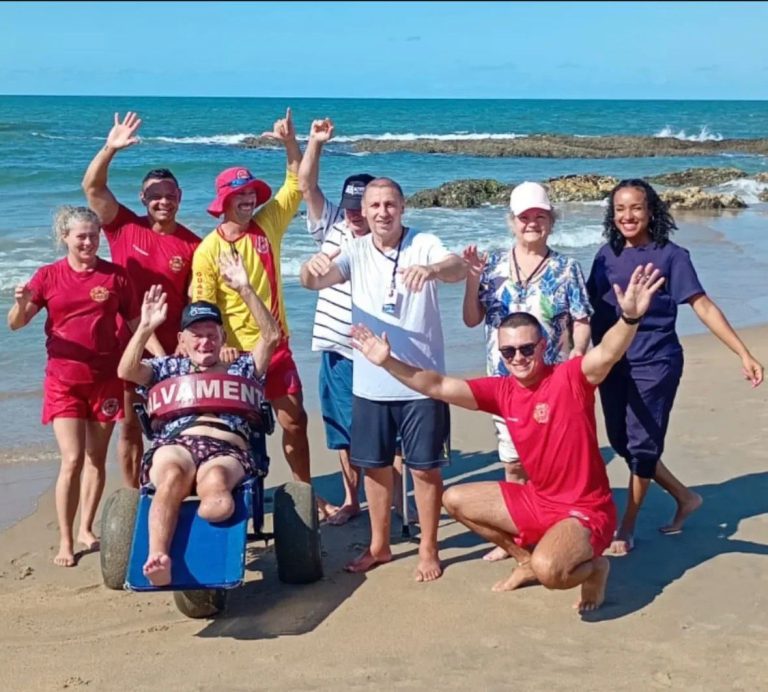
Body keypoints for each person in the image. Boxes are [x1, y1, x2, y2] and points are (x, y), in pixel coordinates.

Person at [351, 262, 667, 611]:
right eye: (508, 352)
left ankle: (595, 569)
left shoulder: (570, 378)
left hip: (585, 511)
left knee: (553, 573)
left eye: (526, 349)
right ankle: (524, 559)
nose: (518, 358)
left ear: (543, 345)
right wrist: (387, 362)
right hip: (538, 500)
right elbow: (438, 385)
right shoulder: (502, 391)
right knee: (454, 499)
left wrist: (630, 319)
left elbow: (608, 352)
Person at [300, 177, 467, 581]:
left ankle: (429, 547)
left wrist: (430, 269)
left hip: (421, 382)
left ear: (402, 206)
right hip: (370, 383)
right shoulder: (354, 250)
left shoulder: (422, 242)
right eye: (374, 206)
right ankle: (379, 546)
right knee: (374, 468)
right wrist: (309, 269)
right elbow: (315, 281)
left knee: (425, 469)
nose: (381, 212)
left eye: (389, 204)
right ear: (366, 211)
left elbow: (457, 267)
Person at [587, 179, 764, 556]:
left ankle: (627, 526)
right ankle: (685, 497)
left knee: (642, 446)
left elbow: (702, 305)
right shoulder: (605, 255)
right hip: (613, 364)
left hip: (656, 363)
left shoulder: (671, 256)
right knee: (621, 441)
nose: (627, 216)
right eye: (619, 208)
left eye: (635, 207)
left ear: (651, 211)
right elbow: (587, 312)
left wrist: (743, 353)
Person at [190, 108, 337, 517]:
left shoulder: (266, 224)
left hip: (278, 348)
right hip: (234, 358)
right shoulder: (207, 251)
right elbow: (203, 311)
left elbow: (297, 182)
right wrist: (218, 352)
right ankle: (241, 495)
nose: (249, 199)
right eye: (241, 194)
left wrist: (292, 142)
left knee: (295, 423)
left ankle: (306, 494)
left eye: (252, 192)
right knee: (237, 434)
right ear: (224, 202)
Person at [117, 253, 280, 587]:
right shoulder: (168, 369)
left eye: (211, 334)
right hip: (177, 443)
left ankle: (202, 531)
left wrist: (246, 290)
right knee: (172, 477)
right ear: (181, 340)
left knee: (218, 492)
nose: (205, 341)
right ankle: (158, 556)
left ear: (223, 338)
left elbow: (271, 336)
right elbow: (127, 371)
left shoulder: (243, 367)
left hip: (227, 448)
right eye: (196, 335)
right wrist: (145, 327)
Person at [463, 181, 593, 561]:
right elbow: (472, 319)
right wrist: (472, 279)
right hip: (504, 386)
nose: (532, 223)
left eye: (540, 216)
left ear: (551, 221)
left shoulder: (567, 268)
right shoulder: (492, 266)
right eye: (524, 217)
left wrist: (579, 352)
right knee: (512, 461)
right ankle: (519, 534)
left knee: (548, 465)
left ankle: (554, 529)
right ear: (512, 222)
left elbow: (582, 320)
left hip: (551, 385)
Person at [7, 206, 140, 567]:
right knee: (72, 458)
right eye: (81, 235)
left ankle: (86, 527)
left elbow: (135, 323)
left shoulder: (116, 277)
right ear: (64, 237)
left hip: (106, 379)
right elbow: (16, 324)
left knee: (96, 458)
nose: (88, 241)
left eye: (94, 235)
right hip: (64, 381)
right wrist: (19, 303)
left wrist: (156, 360)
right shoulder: (48, 276)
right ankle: (65, 541)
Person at [82, 111, 201, 488]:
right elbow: (92, 189)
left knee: (181, 423)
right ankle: (134, 498)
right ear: (143, 198)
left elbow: (195, 299)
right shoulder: (123, 226)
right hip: (128, 348)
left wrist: (187, 344)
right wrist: (110, 149)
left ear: (179, 198)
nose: (162, 202)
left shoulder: (194, 243)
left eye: (169, 196)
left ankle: (178, 486)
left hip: (175, 351)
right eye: (154, 196)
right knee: (131, 428)